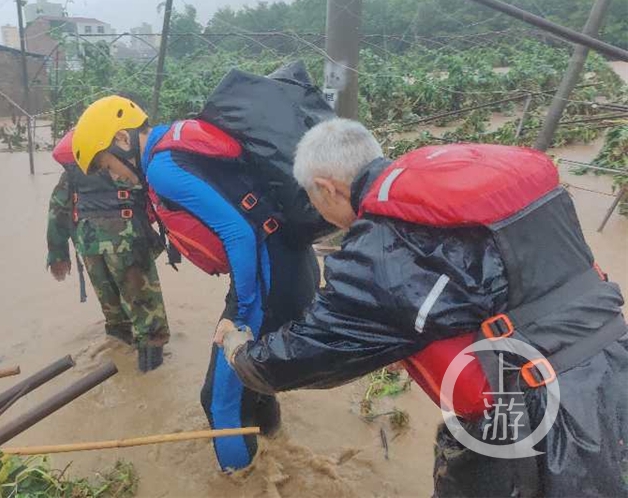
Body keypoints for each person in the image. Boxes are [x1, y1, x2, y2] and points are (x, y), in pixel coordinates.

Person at [220, 118, 628, 498]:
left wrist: (240, 352)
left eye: (314, 201)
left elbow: (303, 355)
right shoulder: (449, 203)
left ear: (328, 188)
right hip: (613, 362)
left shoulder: (383, 248)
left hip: (536, 419)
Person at [70, 95, 320, 472]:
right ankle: (275, 452)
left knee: (220, 403)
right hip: (292, 264)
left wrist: (236, 311)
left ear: (122, 140)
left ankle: (241, 483)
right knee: (253, 377)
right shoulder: (175, 143)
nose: (114, 177)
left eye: (108, 166)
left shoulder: (162, 168)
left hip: (268, 278)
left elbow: (237, 234)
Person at [47, 129, 169, 372]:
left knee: (113, 313)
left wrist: (58, 254)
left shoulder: (74, 165)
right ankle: (151, 375)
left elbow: (57, 209)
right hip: (127, 241)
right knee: (147, 312)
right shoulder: (127, 159)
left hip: (89, 243)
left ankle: (118, 362)